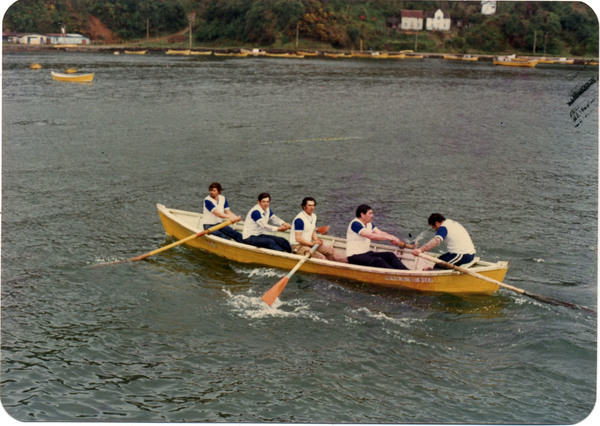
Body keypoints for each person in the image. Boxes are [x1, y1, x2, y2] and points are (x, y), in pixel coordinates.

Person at [345, 204, 409, 269]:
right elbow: (372, 236)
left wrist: (393, 237)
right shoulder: (355, 224)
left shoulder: (369, 224)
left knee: (390, 255)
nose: (372, 216)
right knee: (378, 261)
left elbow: (380, 233)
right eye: (370, 213)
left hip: (366, 254)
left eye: (372, 213)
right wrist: (389, 238)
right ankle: (394, 275)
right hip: (354, 257)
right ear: (362, 214)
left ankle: (407, 273)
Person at [290, 197, 346, 262]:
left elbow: (313, 231)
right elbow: (298, 238)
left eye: (313, 205)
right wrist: (312, 244)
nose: (312, 207)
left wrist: (316, 240)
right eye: (309, 205)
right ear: (304, 207)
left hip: (309, 243)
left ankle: (342, 264)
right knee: (321, 258)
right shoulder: (299, 220)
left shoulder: (313, 216)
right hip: (298, 246)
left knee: (329, 251)